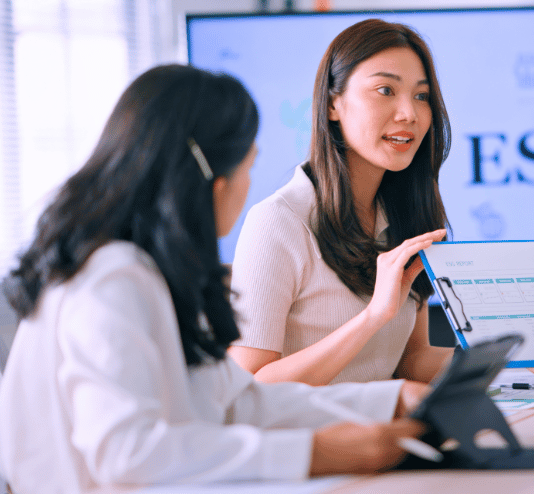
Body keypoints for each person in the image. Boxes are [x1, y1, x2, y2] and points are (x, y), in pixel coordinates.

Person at [0, 64, 428, 494]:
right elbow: (126, 454)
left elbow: (236, 401)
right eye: (248, 168)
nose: (247, 188)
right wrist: (315, 452)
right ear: (212, 180)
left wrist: (392, 401)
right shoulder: (112, 278)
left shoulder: (151, 272)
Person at [228, 18, 534, 386]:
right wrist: (373, 316)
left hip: (387, 429)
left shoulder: (402, 213)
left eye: (421, 96)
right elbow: (251, 384)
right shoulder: (279, 221)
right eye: (385, 90)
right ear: (333, 104)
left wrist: (512, 361)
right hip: (317, 438)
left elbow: (414, 359)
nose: (409, 113)